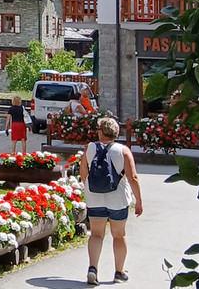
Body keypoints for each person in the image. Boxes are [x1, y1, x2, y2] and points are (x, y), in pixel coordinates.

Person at [79, 116, 143, 284]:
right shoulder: (123, 151)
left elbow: (83, 172)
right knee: (119, 236)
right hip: (118, 199)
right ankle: (119, 272)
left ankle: (93, 268)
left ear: (101, 132)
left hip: (95, 198)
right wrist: (139, 201)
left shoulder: (90, 148)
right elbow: (133, 178)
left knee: (96, 234)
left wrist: (91, 188)